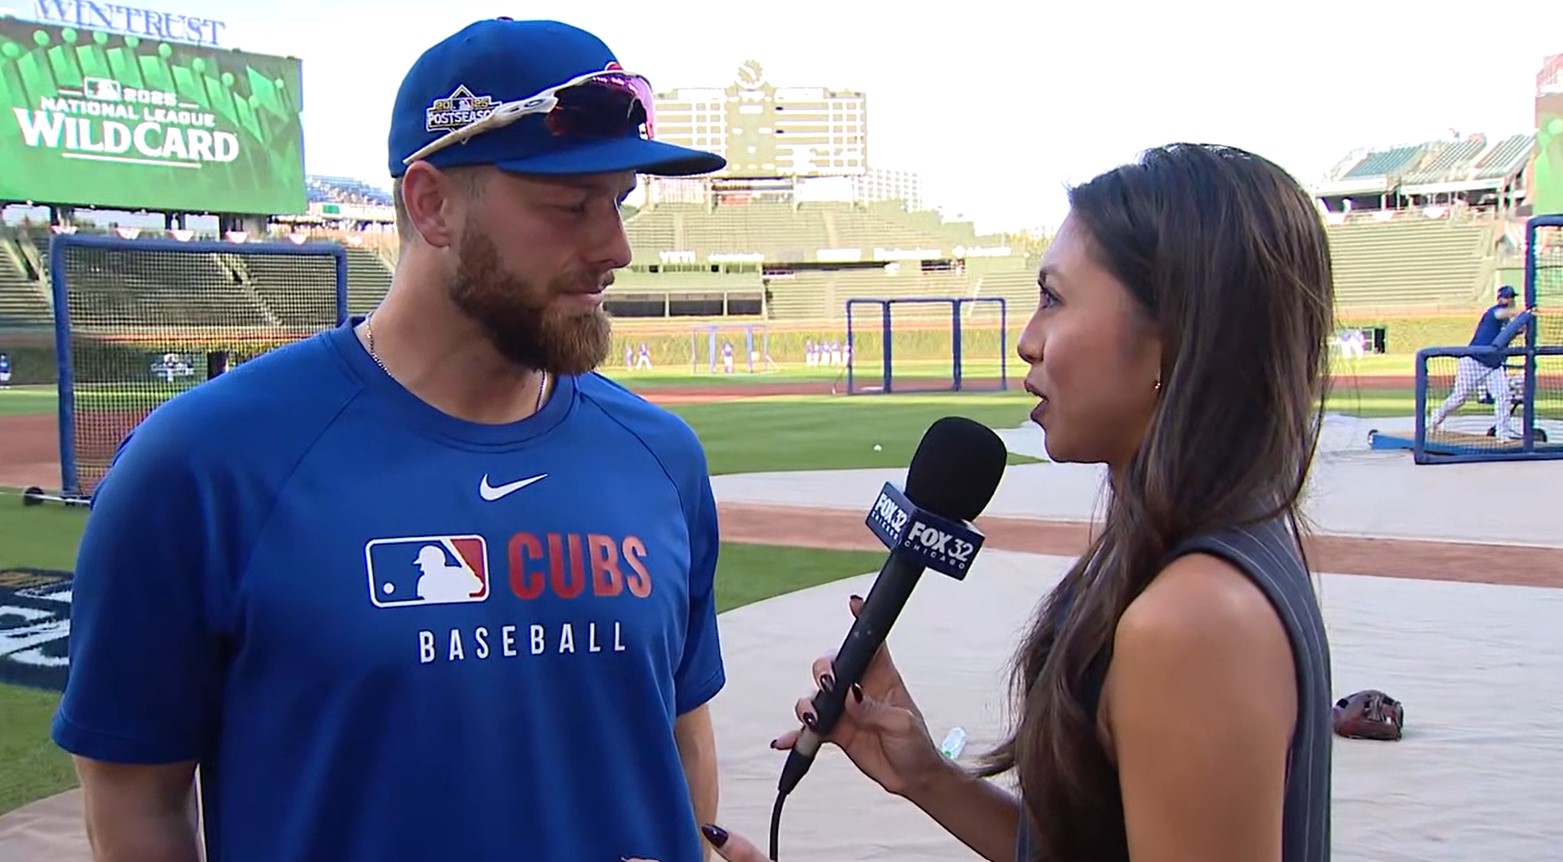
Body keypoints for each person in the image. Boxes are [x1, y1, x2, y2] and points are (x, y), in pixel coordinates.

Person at [53, 18, 730, 862]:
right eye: (571, 206)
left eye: (620, 202)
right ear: (431, 203)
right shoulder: (204, 465)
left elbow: (679, 734)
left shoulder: (660, 458)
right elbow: (133, 800)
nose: (614, 248)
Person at [703, 144, 1336, 862]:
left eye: (1054, 298)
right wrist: (929, 779)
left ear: (1171, 338)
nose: (1027, 341)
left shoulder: (1191, 617)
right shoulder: (1205, 550)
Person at [1428, 284, 1527, 439]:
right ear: (1499, 298)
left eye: (1512, 297)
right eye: (1507, 297)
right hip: (1474, 361)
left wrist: (1520, 327)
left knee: (1503, 395)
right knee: (1459, 398)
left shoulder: (1509, 322)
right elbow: (1502, 313)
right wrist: (1526, 313)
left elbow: (1510, 332)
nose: (1510, 300)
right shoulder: (1493, 312)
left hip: (1493, 366)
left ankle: (1503, 433)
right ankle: (1435, 419)